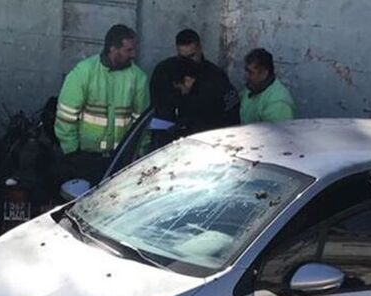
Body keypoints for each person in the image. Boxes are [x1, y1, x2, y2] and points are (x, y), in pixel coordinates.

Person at [55, 24, 149, 186]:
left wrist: (140, 154)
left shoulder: (138, 78)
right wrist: (71, 153)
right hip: (85, 159)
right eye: (128, 50)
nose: (133, 54)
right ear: (113, 49)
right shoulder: (83, 72)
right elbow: (66, 116)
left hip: (121, 160)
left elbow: (142, 123)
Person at [149, 29, 239, 135]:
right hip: (168, 141)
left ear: (200, 49)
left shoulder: (216, 77)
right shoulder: (164, 73)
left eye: (192, 56)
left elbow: (231, 115)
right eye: (183, 57)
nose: (188, 62)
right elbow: (156, 112)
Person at [240, 48, 296, 124]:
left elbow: (275, 134)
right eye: (246, 70)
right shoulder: (251, 87)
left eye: (250, 72)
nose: (245, 76)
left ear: (264, 74)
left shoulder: (277, 103)